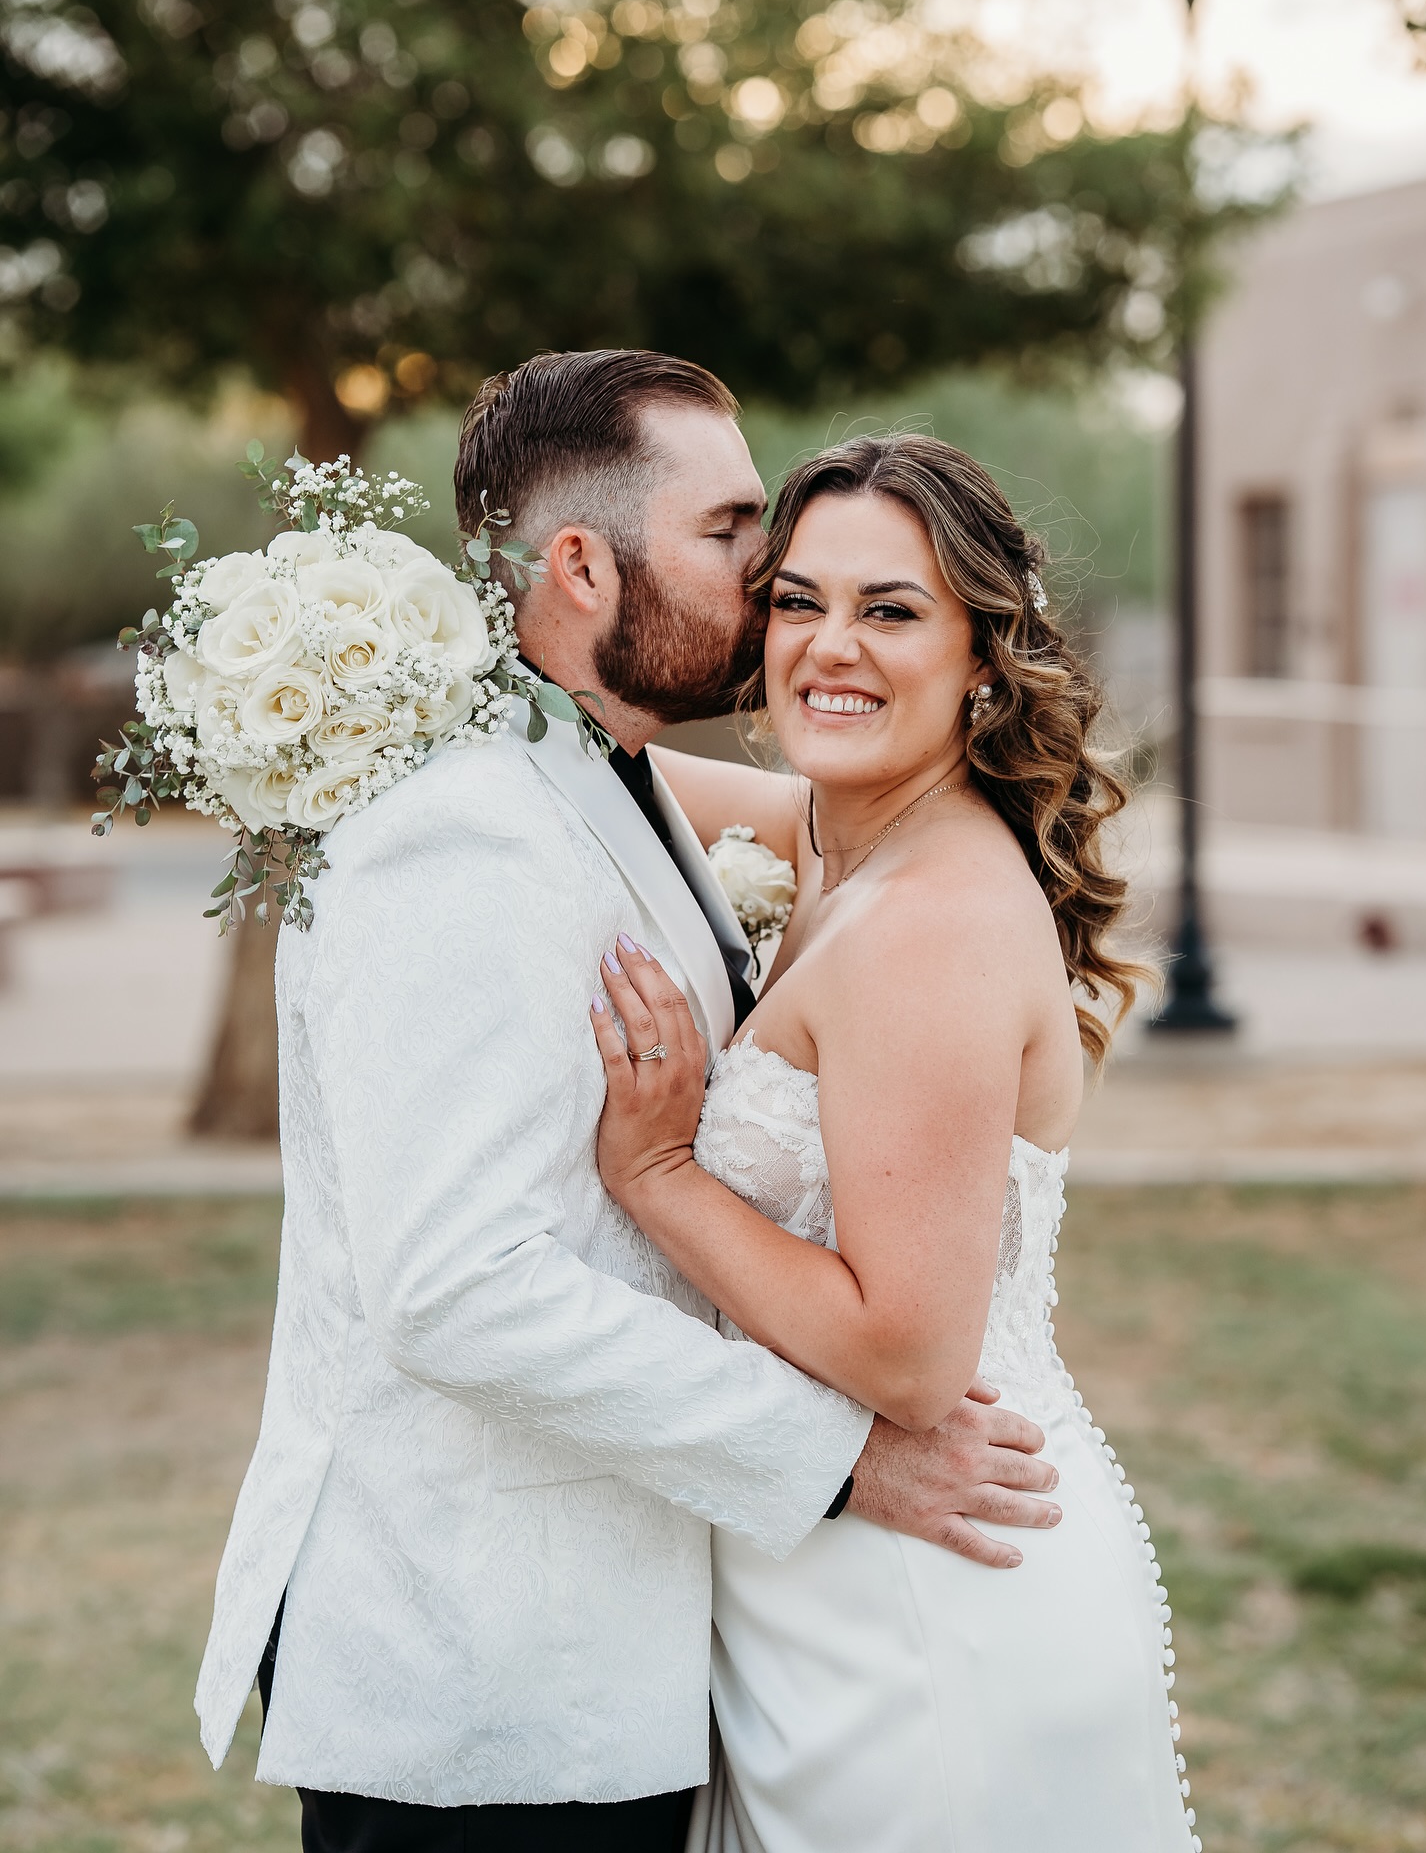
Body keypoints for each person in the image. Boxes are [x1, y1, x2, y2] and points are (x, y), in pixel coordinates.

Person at [194, 355, 1063, 1853]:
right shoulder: (462, 839)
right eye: (732, 533)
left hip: (619, 1661)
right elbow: (458, 1288)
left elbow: (861, 818)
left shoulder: (608, 778)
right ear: (585, 568)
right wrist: (838, 1459)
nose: (768, 571)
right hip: (486, 1681)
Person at [588, 433, 1199, 1853]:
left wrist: (658, 1175)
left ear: (984, 654)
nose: (830, 648)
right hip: (826, 1589)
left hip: (927, 1610)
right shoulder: (841, 840)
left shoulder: (930, 925)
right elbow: (609, 778)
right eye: (799, 602)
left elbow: (911, 1357)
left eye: (892, 610)